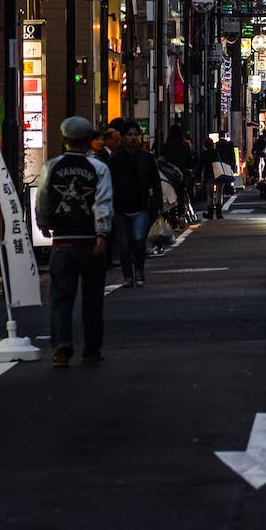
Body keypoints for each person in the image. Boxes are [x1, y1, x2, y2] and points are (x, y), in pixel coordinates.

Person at [32, 116, 114, 367]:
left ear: (63, 138)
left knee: (61, 297)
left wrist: (43, 223)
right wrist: (102, 234)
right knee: (93, 298)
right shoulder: (98, 168)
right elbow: (103, 202)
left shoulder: (51, 166)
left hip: (62, 242)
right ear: (88, 140)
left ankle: (61, 347)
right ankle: (92, 349)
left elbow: (42, 198)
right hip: (90, 241)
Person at [107, 117, 158, 288]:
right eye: (129, 135)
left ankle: (139, 271)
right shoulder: (115, 159)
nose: (133, 138)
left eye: (136, 134)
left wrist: (157, 204)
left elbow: (155, 182)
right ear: (122, 137)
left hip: (141, 206)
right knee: (124, 244)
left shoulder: (146, 157)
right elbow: (109, 183)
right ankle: (128, 276)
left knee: (138, 239)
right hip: (120, 208)